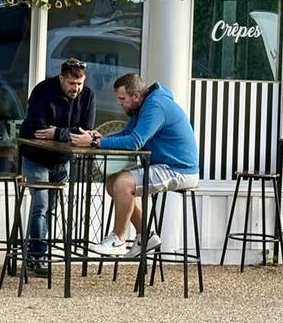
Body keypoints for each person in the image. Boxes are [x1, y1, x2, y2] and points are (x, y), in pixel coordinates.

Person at [72, 73, 199, 257]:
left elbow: (134, 142)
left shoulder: (155, 106)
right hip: (164, 166)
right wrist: (99, 138)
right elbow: (127, 133)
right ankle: (145, 236)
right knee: (112, 182)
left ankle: (118, 240)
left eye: (122, 98)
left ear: (136, 96)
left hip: (179, 170)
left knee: (123, 183)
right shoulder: (144, 106)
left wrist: (95, 144)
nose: (119, 103)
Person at [19, 57, 96, 274]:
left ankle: (37, 252)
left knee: (50, 209)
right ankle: (38, 256)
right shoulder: (43, 90)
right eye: (72, 83)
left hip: (62, 159)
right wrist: (69, 134)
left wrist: (58, 133)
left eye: (80, 83)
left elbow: (86, 131)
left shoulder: (88, 95)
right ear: (61, 78)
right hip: (36, 156)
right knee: (41, 206)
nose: (76, 88)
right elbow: (38, 129)